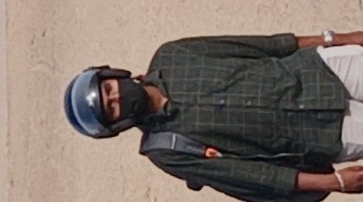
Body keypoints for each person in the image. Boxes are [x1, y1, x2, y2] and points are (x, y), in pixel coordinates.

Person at [64, 31, 363, 200]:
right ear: (117, 124)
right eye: (111, 107)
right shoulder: (167, 150)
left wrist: (338, 38)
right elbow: (253, 177)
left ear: (113, 75)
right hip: (324, 133)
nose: (116, 97)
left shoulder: (172, 55)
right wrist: (334, 182)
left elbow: (265, 46)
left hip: (318, 69)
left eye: (108, 90)